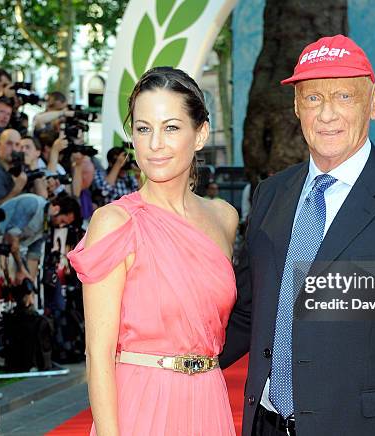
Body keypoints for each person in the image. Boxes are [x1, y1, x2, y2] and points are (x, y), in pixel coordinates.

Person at [219, 34, 375, 436]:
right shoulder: (271, 194)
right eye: (314, 98)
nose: (327, 114)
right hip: (267, 423)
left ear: (372, 102)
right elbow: (249, 311)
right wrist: (177, 358)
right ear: (297, 106)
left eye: (344, 97)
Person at [67, 67, 238, 435]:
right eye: (143, 129)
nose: (155, 143)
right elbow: (98, 355)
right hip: (141, 407)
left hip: (210, 401)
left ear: (200, 134)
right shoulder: (114, 222)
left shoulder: (224, 218)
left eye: (171, 127)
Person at [0, 193, 81, 284]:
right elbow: (12, 235)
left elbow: (33, 256)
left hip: (7, 254)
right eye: (62, 221)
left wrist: (29, 281)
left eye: (65, 225)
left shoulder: (46, 227)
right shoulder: (33, 204)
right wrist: (21, 269)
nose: (61, 226)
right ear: (56, 209)